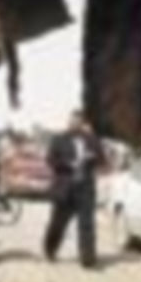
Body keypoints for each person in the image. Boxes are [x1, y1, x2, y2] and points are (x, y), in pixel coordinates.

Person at [43, 110, 104, 268]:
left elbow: (102, 158)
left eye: (78, 121)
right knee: (58, 223)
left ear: (82, 122)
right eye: (72, 120)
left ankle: (88, 259)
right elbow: (50, 160)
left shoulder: (91, 139)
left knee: (86, 224)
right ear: (68, 121)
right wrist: (68, 164)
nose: (75, 123)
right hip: (65, 188)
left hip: (85, 188)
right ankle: (50, 249)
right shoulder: (59, 139)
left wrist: (92, 157)